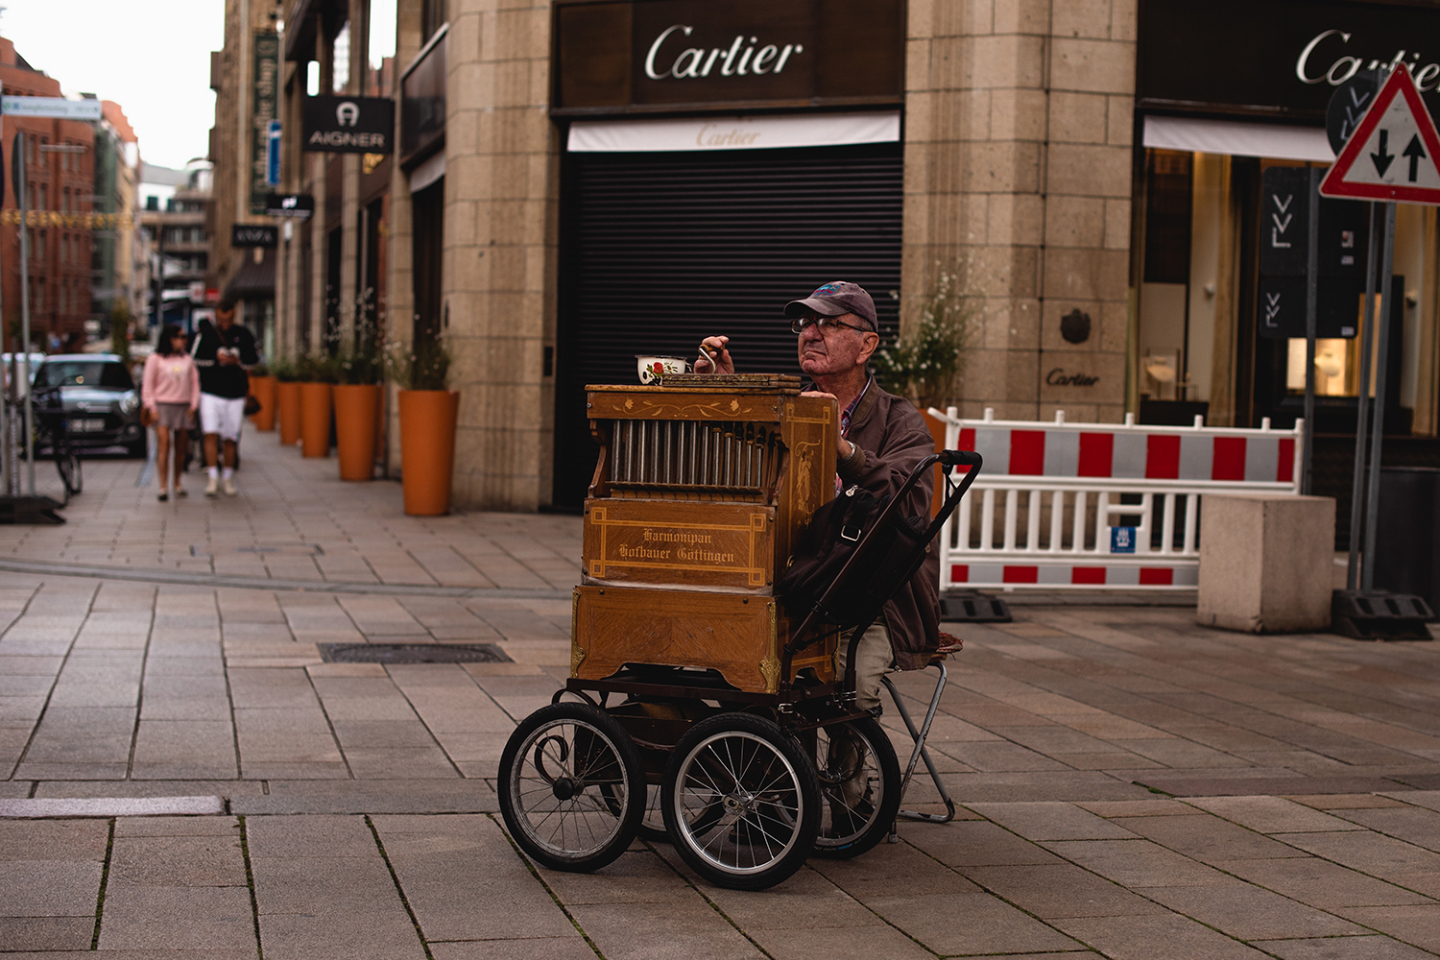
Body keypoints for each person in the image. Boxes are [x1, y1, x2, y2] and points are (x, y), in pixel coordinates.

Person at [696, 281, 941, 714]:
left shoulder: (900, 419)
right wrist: (724, 392)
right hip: (797, 585)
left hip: (875, 599)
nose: (810, 332)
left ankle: (846, 779)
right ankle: (767, 770)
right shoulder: (791, 405)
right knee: (723, 661)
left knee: (851, 689)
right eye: (805, 322)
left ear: (867, 345)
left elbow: (910, 503)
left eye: (829, 323)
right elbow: (748, 458)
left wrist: (842, 450)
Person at [192, 298, 258, 497]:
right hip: (210, 392)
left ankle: (227, 478)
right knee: (210, 434)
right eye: (221, 319)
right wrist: (215, 358)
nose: (225, 324)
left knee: (231, 437)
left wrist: (238, 360)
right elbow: (194, 359)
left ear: (234, 315)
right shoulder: (207, 334)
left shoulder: (244, 334)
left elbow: (253, 361)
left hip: (235, 394)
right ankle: (213, 477)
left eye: (228, 319)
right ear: (216, 316)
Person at [142, 325, 201, 502]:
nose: (184, 340)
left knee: (181, 447)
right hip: (162, 406)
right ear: (170, 339)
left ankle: (177, 482)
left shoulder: (188, 360)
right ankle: (162, 486)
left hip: (183, 406)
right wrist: (151, 407)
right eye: (180, 337)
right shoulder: (155, 359)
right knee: (164, 444)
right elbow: (148, 385)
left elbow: (195, 384)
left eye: (184, 337)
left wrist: (193, 405)